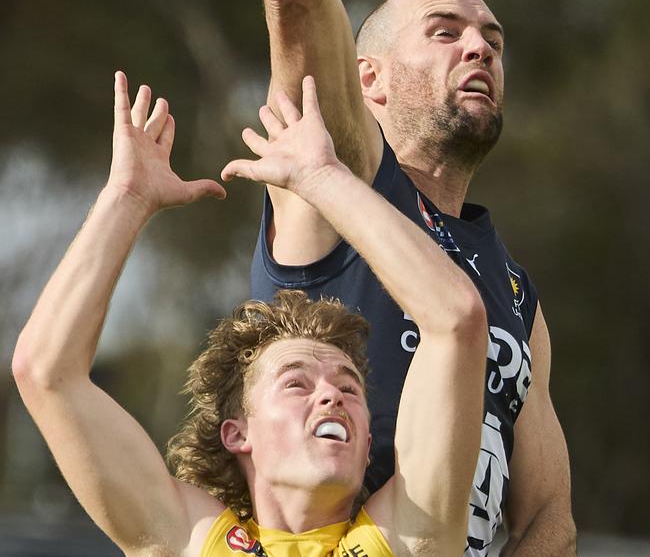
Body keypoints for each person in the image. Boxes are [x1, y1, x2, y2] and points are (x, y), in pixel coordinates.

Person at [163, 0, 576, 554]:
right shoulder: (341, 177)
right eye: (445, 31)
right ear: (368, 79)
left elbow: (544, 515)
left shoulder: (517, 294)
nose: (479, 48)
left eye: (492, 38)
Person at [12, 72, 487, 556]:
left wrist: (325, 178)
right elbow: (47, 371)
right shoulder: (193, 541)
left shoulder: (407, 537)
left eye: (348, 388)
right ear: (238, 433)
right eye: (297, 383)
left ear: (368, 444)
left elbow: (456, 320)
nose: (331, 395)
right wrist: (127, 198)